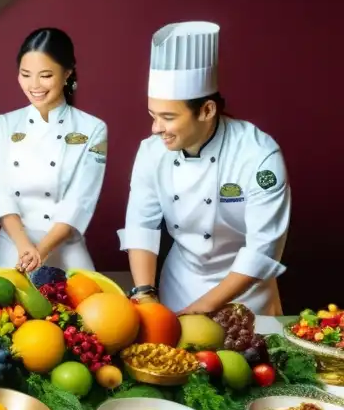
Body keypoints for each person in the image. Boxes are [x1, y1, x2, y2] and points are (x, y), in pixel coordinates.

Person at [118, 22, 291, 315]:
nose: (155, 128)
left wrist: (201, 310)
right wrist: (145, 294)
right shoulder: (151, 152)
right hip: (179, 287)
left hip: (246, 300)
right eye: (152, 115)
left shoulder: (258, 155)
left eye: (168, 117)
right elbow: (141, 226)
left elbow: (263, 249)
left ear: (207, 111)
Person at [0, 28, 107, 273]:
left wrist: (41, 251)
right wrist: (24, 247)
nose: (34, 85)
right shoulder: (2, 125)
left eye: (45, 75)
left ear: (67, 74)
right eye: (25, 74)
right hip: (14, 246)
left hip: (67, 249)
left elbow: (80, 200)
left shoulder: (93, 128)